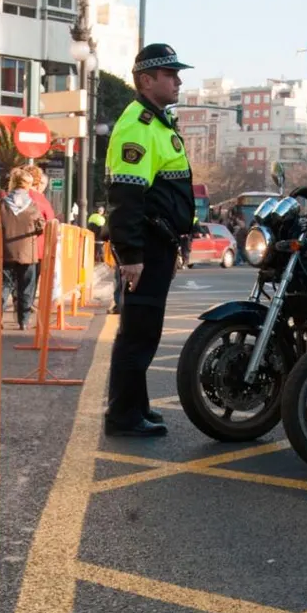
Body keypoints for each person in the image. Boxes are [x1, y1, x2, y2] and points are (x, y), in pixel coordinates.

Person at [104, 42, 196, 438]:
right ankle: (123, 416)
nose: (177, 81)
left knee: (145, 329)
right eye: (170, 74)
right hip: (146, 247)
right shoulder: (137, 126)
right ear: (146, 79)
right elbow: (126, 197)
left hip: (160, 244)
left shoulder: (158, 123)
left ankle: (136, 406)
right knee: (137, 333)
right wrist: (131, 255)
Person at [1, 169, 47, 331]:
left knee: (4, 286)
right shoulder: (32, 205)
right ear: (28, 185)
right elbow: (41, 226)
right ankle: (24, 321)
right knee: (26, 288)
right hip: (28, 253)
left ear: (13, 183)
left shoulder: (3, 203)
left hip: (5, 252)